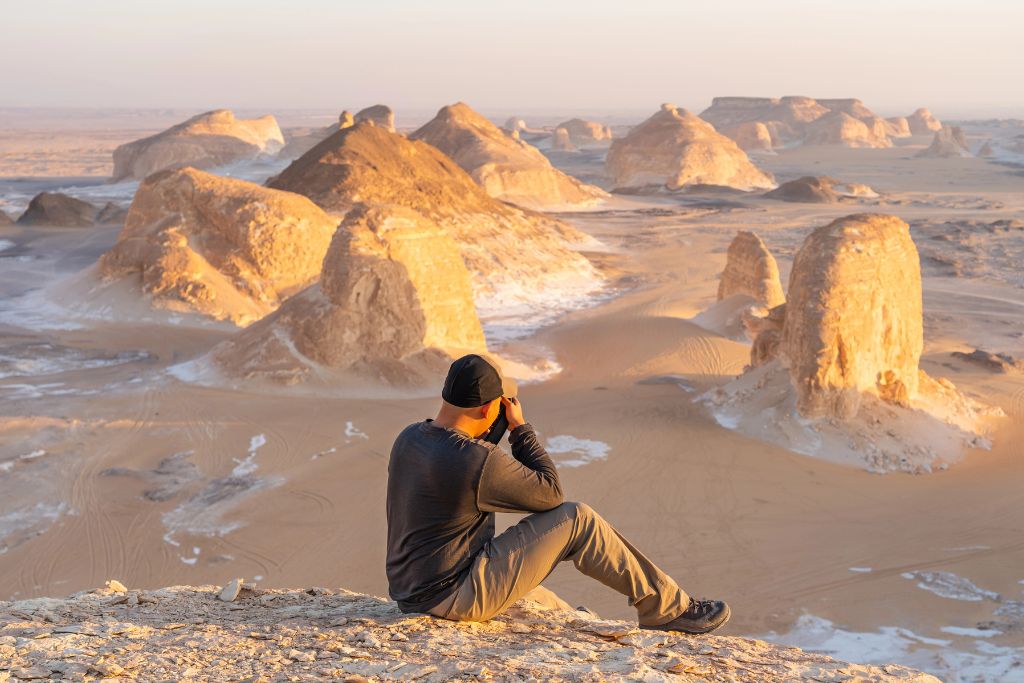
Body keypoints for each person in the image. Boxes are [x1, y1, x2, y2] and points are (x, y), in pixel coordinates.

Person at [385, 354, 730, 633]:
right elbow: (550, 494)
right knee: (577, 519)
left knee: (541, 598)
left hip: (412, 589)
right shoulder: (476, 460)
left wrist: (487, 436)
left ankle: (574, 619)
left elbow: (456, 474)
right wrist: (520, 431)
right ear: (490, 410)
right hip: (453, 596)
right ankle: (668, 608)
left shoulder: (409, 437)